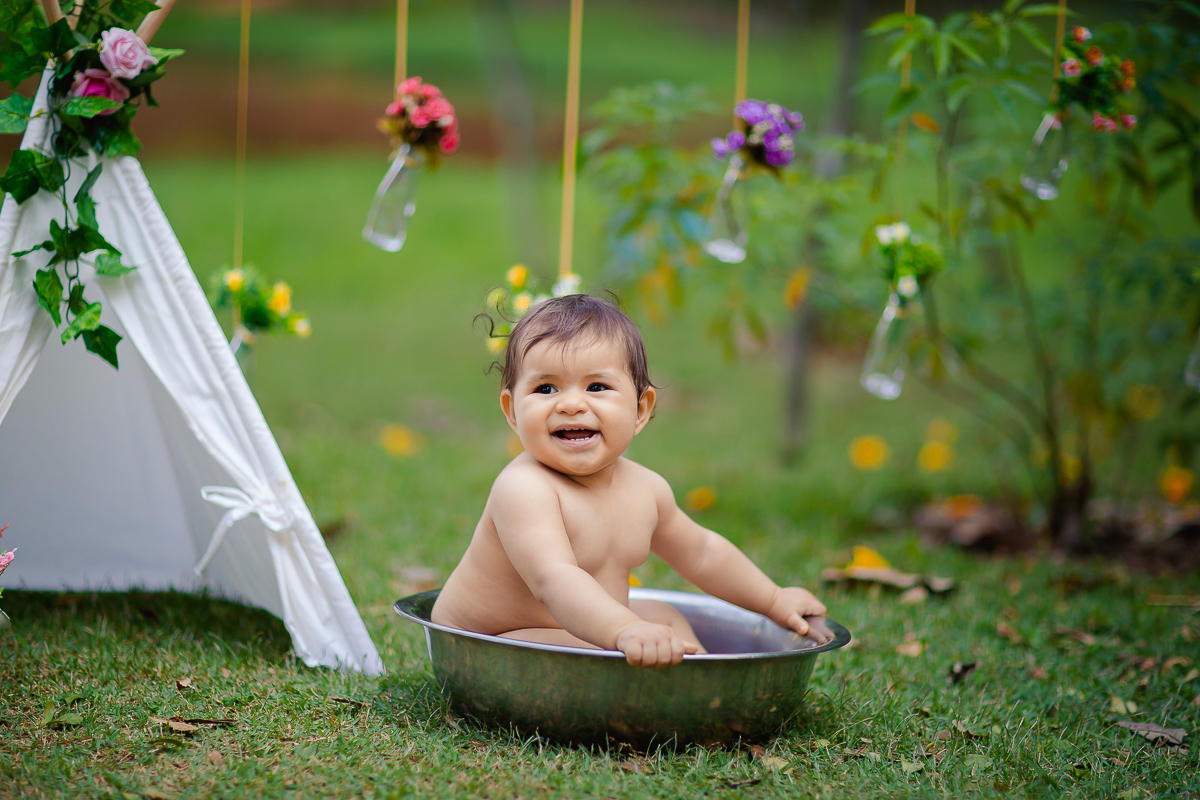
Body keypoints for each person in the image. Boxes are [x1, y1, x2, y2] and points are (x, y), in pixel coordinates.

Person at [431, 294, 827, 667]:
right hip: (489, 639)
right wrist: (623, 629)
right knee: (605, 648)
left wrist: (774, 599)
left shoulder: (647, 490)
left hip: (578, 627)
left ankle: (708, 683)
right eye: (545, 387)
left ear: (641, 409)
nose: (570, 403)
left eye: (597, 386)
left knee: (664, 618)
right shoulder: (524, 489)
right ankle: (673, 694)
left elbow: (702, 552)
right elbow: (554, 580)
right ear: (512, 410)